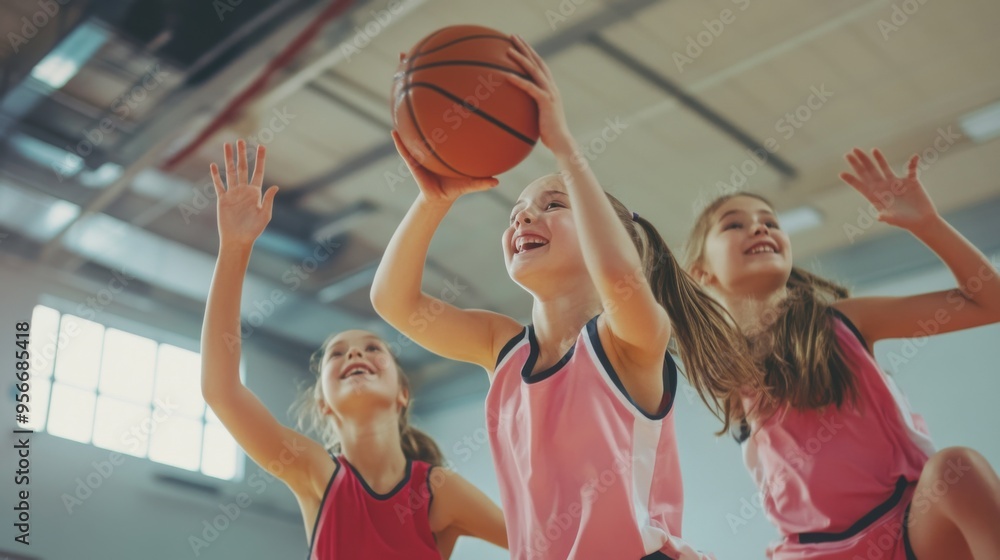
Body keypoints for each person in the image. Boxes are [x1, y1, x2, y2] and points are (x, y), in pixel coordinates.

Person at [371, 36, 757, 560]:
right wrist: (432, 199)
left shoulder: (630, 341)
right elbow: (395, 303)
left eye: (553, 204)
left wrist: (564, 146)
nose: (524, 217)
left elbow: (619, 274)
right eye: (516, 214)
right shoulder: (503, 348)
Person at [682, 147, 1000, 559]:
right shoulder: (723, 369)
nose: (758, 229)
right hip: (817, 552)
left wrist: (929, 225)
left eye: (770, 222)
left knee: (958, 469)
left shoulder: (843, 322)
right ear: (702, 273)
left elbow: (989, 302)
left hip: (908, 528)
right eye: (734, 225)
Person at [200, 140, 508, 559]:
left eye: (372, 348)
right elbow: (221, 390)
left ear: (403, 392)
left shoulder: (437, 490)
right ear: (324, 403)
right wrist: (235, 248)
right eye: (337, 354)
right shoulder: (316, 472)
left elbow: (545, 545)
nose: (355, 356)